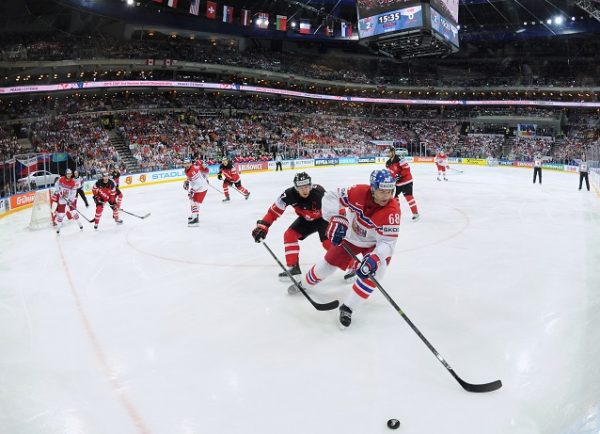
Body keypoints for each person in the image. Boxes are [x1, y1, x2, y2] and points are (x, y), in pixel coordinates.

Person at [289, 169, 401, 329]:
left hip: (375, 244)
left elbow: (388, 243)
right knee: (326, 265)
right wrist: (336, 218)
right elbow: (331, 196)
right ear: (373, 188)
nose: (386, 196)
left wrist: (375, 258)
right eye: (382, 191)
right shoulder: (358, 192)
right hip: (351, 237)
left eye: (389, 191)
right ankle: (305, 283)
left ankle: (348, 308)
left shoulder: (392, 212)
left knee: (376, 272)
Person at [252, 172, 332, 280]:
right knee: (289, 235)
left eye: (306, 186)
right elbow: (273, 212)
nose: (305, 190)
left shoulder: (319, 193)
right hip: (306, 220)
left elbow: (334, 208)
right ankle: (294, 268)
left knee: (328, 243)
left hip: (324, 219)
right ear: (296, 187)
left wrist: (340, 222)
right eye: (301, 187)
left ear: (310, 185)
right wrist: (263, 227)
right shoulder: (288, 194)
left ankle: (352, 265)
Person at [385, 146, 420, 221]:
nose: (387, 154)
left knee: (409, 197)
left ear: (393, 152)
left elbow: (407, 169)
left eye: (389, 152)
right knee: (394, 198)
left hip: (406, 182)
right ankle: (397, 212)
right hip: (397, 184)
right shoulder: (388, 163)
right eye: (387, 152)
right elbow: (390, 173)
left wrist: (400, 175)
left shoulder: (400, 159)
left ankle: (415, 214)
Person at [54, 168, 84, 234]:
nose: (69, 175)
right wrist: (58, 191)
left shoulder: (73, 182)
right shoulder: (61, 179)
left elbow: (74, 193)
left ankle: (80, 224)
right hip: (62, 198)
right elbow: (56, 184)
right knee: (61, 214)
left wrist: (70, 200)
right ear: (65, 174)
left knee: (73, 212)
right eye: (68, 174)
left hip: (69, 199)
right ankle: (58, 228)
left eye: (70, 174)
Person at [183, 157, 210, 225]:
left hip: (201, 188)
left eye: (188, 163)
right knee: (193, 201)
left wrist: (192, 190)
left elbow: (199, 183)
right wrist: (187, 181)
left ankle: (195, 218)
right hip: (198, 187)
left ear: (190, 163)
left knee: (194, 202)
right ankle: (195, 215)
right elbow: (189, 177)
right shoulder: (186, 170)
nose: (187, 165)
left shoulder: (194, 170)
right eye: (185, 163)